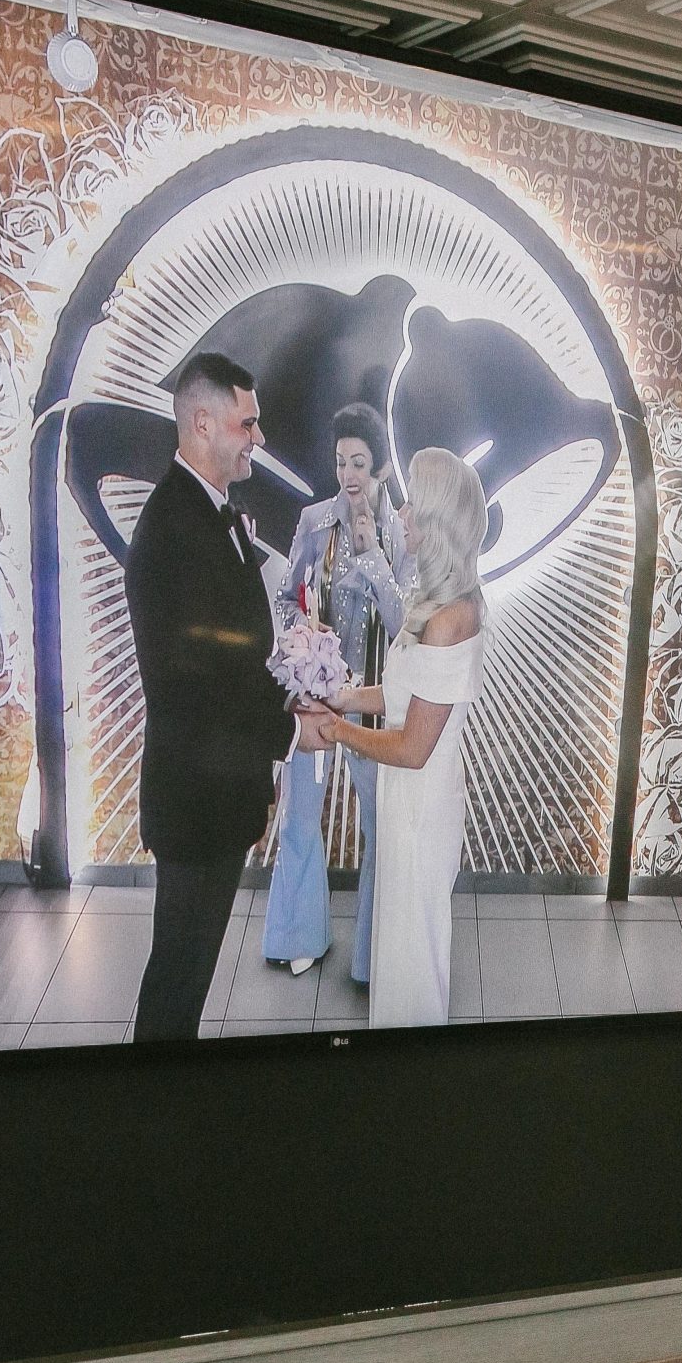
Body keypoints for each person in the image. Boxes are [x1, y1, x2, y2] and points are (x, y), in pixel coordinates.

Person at [127, 351, 325, 1040]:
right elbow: (197, 686)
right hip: (195, 796)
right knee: (177, 977)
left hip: (219, 788)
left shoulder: (210, 513)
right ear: (204, 422)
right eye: (249, 423)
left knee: (187, 975)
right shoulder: (175, 529)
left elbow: (234, 650)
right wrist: (293, 732)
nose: (259, 439)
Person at [299, 447, 487, 1030]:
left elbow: (412, 746)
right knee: (400, 946)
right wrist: (344, 696)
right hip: (409, 798)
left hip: (420, 804)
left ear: (434, 520)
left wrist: (334, 730)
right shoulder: (437, 603)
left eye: (412, 504)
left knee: (412, 957)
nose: (401, 513)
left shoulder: (452, 617)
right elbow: (403, 692)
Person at [260, 404, 409, 984]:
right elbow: (284, 598)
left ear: (381, 470)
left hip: (373, 702)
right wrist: (303, 628)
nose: (349, 474)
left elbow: (406, 626)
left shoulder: (401, 531)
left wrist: (373, 554)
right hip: (313, 694)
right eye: (341, 461)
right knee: (300, 815)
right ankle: (299, 935)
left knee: (379, 821)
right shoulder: (312, 521)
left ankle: (373, 953)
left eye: (361, 464)